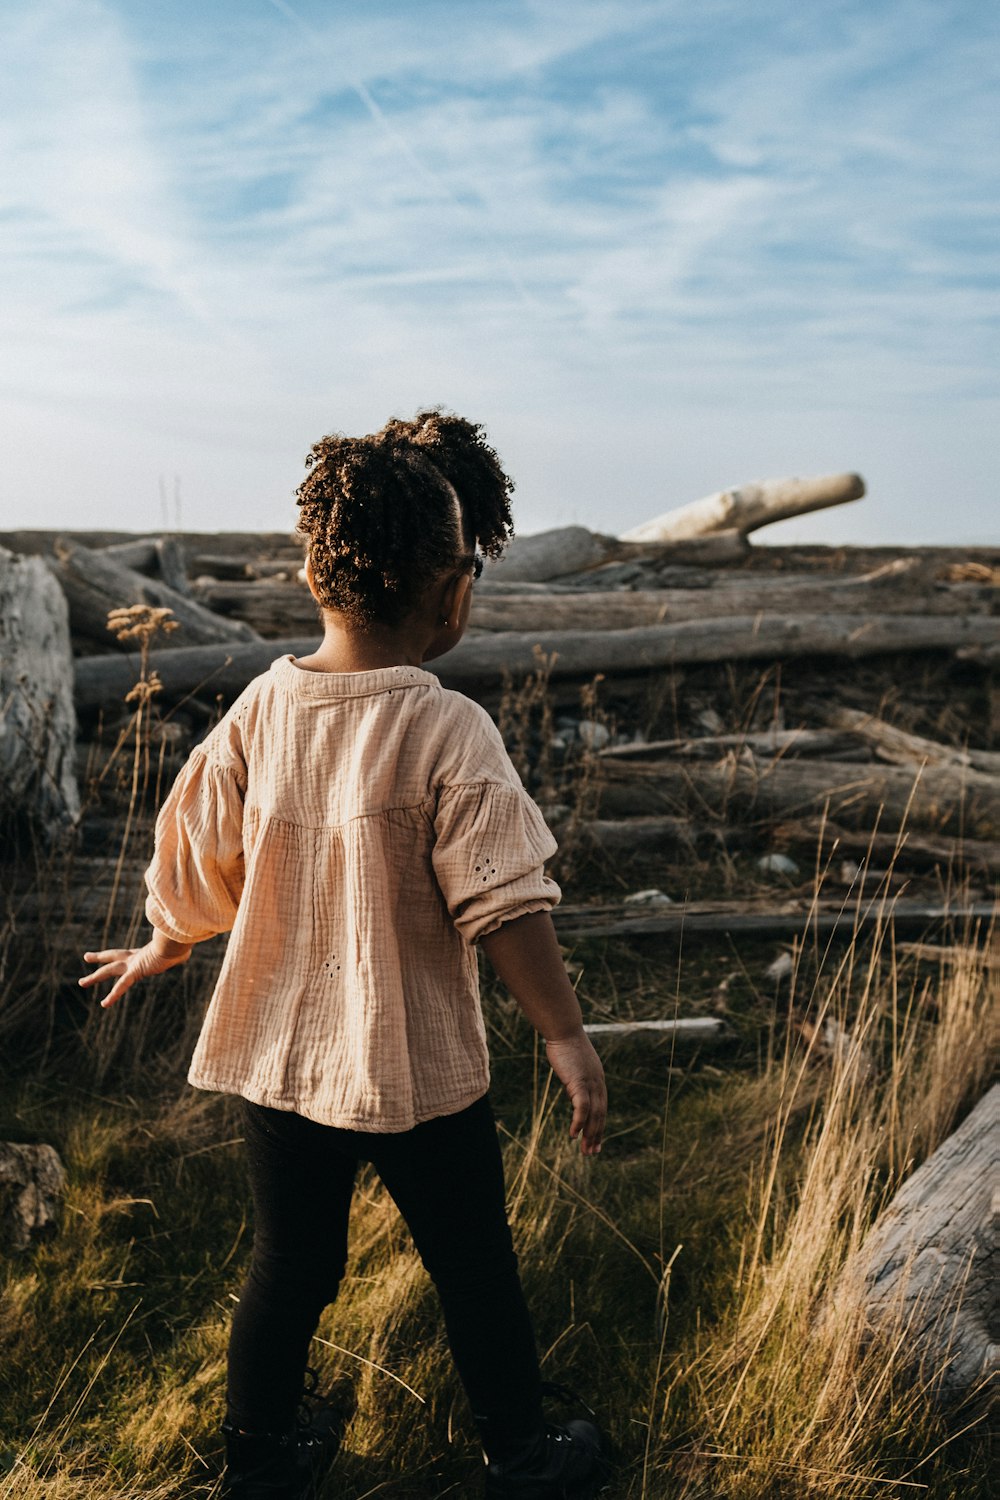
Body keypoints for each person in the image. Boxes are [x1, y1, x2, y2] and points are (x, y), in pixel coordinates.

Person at [79, 410, 609, 1500]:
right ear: (452, 589)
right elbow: (503, 906)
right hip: (418, 1075)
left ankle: (260, 1461)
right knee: (472, 1269)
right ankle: (520, 1455)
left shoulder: (261, 707)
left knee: (289, 1269)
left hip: (278, 1065)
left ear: (316, 579)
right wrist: (563, 1033)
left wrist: (165, 938)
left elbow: (194, 847)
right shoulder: (448, 728)